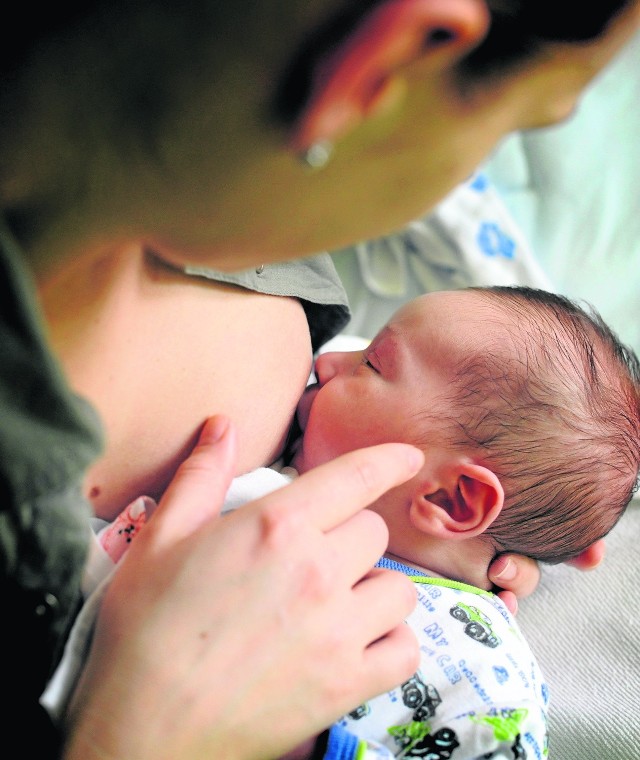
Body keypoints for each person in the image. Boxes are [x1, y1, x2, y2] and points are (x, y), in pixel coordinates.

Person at [2, 1, 639, 758]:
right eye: (518, 121)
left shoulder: (468, 676)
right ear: (386, 57)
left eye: (371, 362)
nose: (330, 362)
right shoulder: (254, 225)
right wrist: (132, 735)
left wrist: (514, 523)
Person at [47, 285, 639, 758]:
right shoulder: (294, 472)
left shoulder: (477, 663)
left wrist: (305, 742)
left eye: (373, 363)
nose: (329, 360)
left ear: (453, 502)